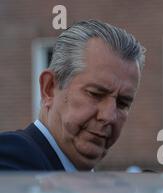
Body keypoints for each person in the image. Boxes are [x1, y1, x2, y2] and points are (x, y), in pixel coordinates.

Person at [0, 20, 145, 171]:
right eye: (95, 94)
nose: (109, 116)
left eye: (122, 103)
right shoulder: (10, 158)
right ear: (49, 88)